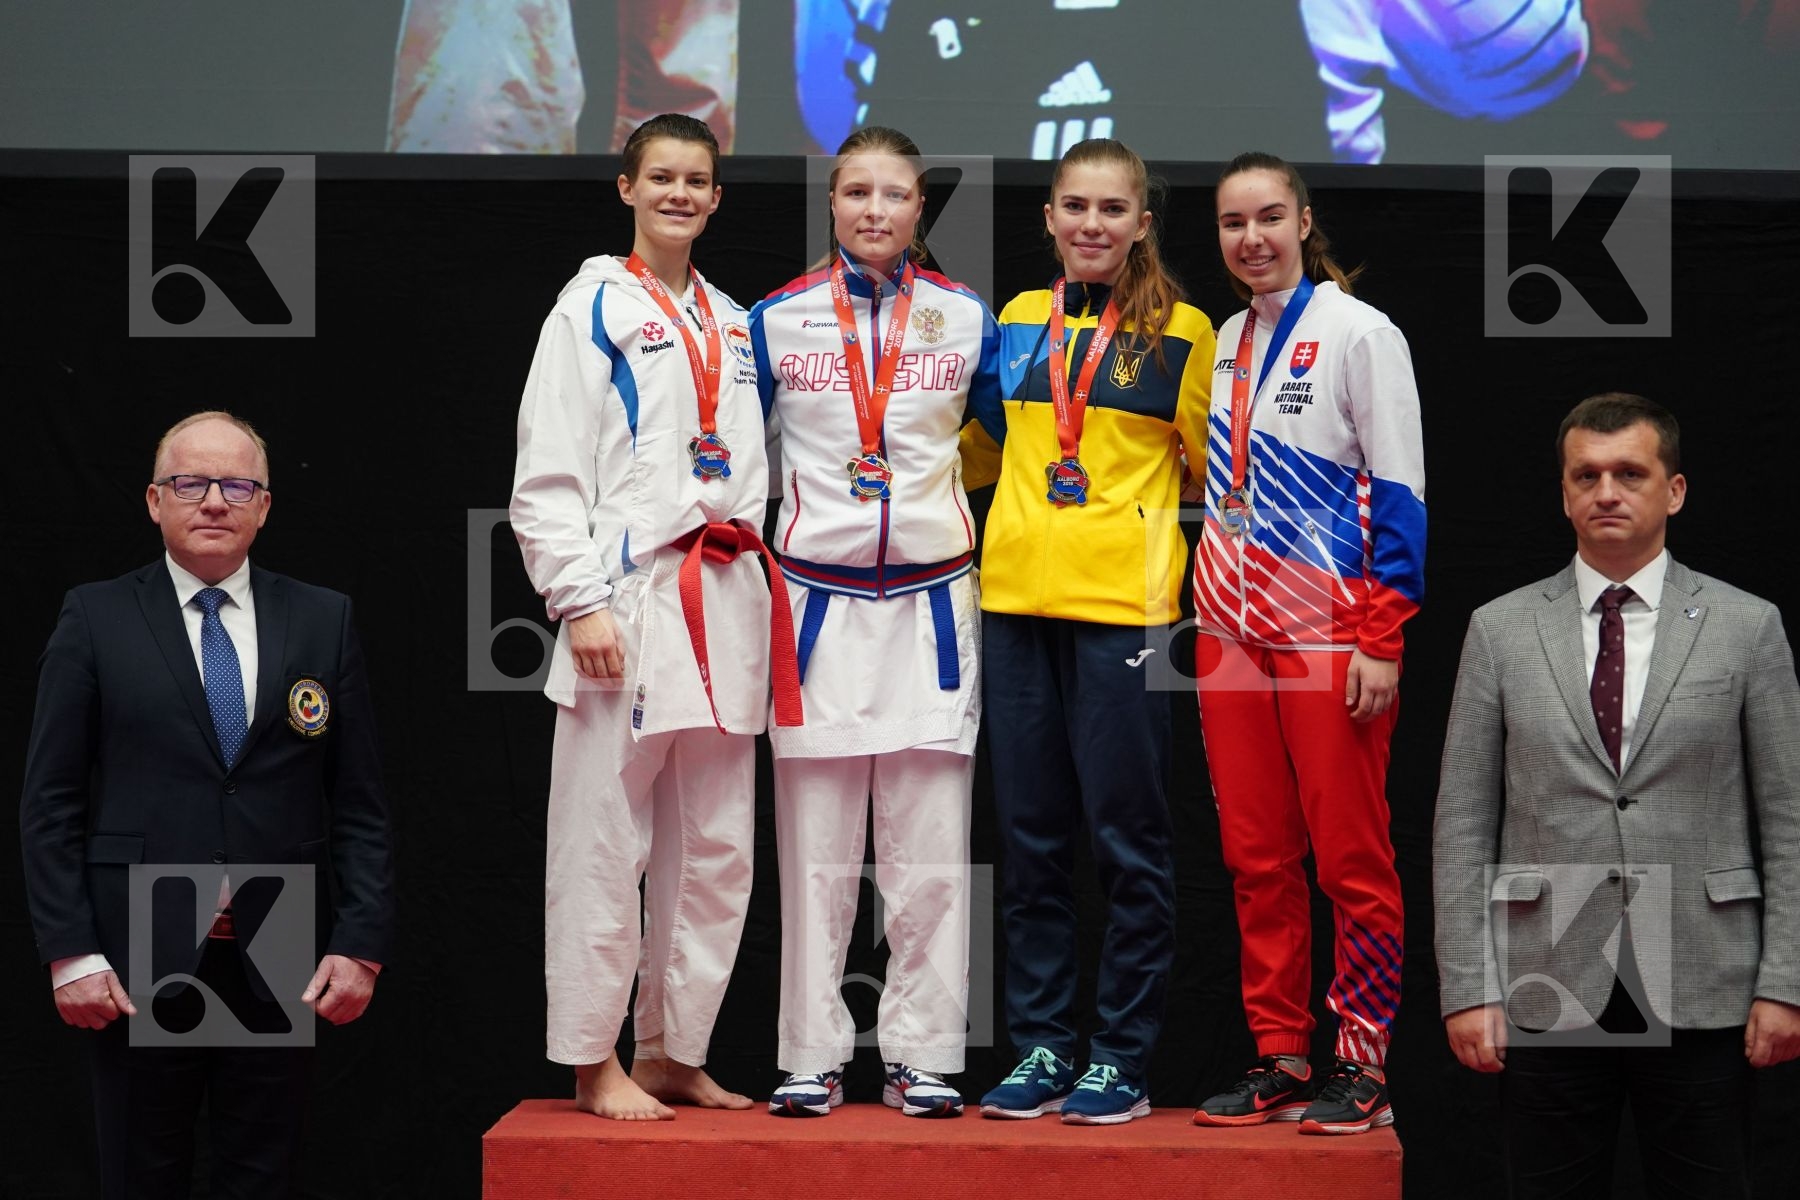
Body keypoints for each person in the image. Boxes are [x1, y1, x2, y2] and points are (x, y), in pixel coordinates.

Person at [18, 411, 396, 1199]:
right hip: (134, 950)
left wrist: (361, 942)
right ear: (155, 501)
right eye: (191, 483)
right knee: (140, 1173)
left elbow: (359, 802)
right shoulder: (96, 617)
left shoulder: (322, 619)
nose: (214, 501)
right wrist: (71, 951)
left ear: (265, 505)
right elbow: (50, 801)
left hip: (278, 939)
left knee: (264, 1175)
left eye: (237, 484)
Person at [1434, 393, 1800, 1196]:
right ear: (1564, 493)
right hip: (1548, 971)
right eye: (1587, 475)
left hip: (1708, 978)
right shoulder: (1498, 630)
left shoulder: (1749, 626)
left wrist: (1785, 981)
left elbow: (1788, 820)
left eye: (1629, 473)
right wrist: (1468, 988)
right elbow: (1463, 824)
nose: (1607, 491)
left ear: (1672, 490)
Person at [511, 112, 801, 1121]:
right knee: (603, 842)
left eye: (697, 180)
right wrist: (578, 600)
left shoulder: (731, 318)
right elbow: (544, 475)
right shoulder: (586, 309)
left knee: (717, 850)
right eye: (661, 177)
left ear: (718, 198)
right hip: (627, 602)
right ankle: (593, 1062)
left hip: (727, 600)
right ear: (626, 188)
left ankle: (674, 1050)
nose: (680, 193)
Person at [747, 125, 1003, 1119]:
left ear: (919, 207)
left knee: (931, 849)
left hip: (936, 608)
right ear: (832, 201)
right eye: (856, 192)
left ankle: (922, 1056)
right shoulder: (773, 321)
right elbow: (733, 456)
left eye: (893, 195)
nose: (874, 211)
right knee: (815, 850)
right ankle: (809, 1054)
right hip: (815, 608)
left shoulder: (965, 318)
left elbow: (1006, 450)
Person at [964, 137, 1213, 1125]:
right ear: (1050, 217)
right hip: (1016, 603)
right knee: (1028, 844)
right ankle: (1039, 1045)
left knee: (1130, 846)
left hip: (1126, 615)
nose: (1093, 225)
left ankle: (1118, 1056)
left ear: (1143, 222)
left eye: (1114, 209)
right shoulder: (1020, 320)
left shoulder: (1187, 330)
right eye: (1076, 207)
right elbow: (985, 447)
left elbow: (1209, 472)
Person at [1189, 152, 1424, 1136]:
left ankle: (1361, 1062)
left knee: (1350, 858)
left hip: (1332, 633)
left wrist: (1383, 635)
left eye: (1269, 217)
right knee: (1256, 860)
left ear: (1304, 218)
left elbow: (1403, 492)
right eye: (1234, 222)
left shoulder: (1361, 332)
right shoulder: (1228, 340)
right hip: (1228, 637)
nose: (1252, 238)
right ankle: (1280, 1051)